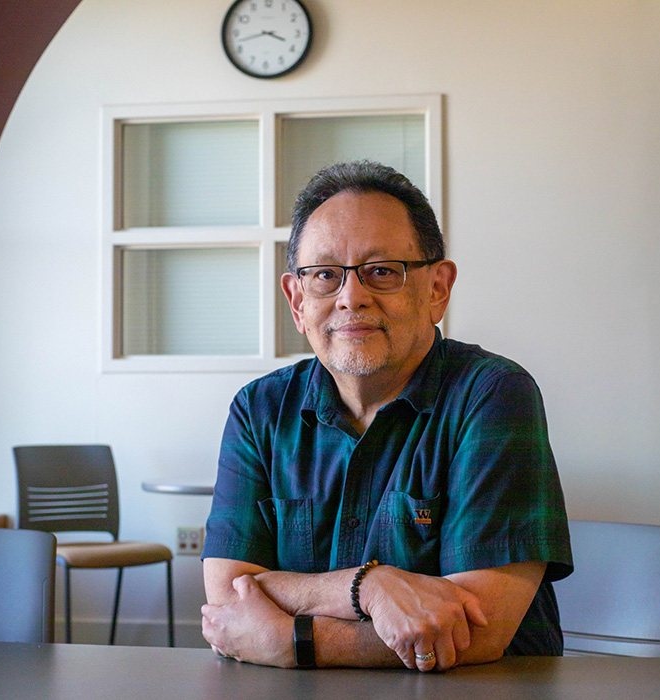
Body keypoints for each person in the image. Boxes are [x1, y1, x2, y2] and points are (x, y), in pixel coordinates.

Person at [200, 160, 571, 672]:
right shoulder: (258, 410)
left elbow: (480, 631)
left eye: (382, 271)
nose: (352, 297)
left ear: (437, 289)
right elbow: (229, 603)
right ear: (296, 299)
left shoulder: (494, 395)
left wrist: (293, 640)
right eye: (325, 275)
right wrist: (367, 587)